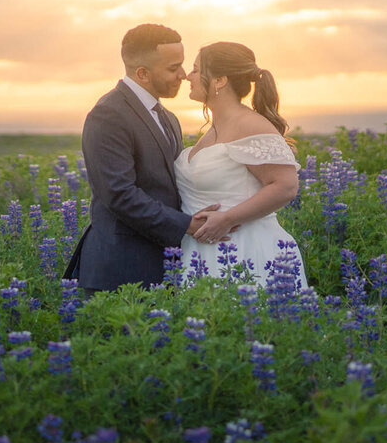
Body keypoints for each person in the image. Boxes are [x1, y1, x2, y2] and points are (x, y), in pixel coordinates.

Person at [63, 24, 220, 294]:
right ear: (143, 73)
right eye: (173, 68)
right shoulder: (109, 114)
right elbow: (119, 194)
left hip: (164, 264)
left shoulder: (167, 117)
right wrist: (186, 226)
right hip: (120, 269)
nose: (183, 75)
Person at [175, 41, 308, 288]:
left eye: (195, 69)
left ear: (220, 80)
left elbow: (285, 186)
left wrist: (226, 219)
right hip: (200, 254)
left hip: (244, 252)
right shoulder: (214, 129)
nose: (188, 76)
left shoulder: (250, 124)